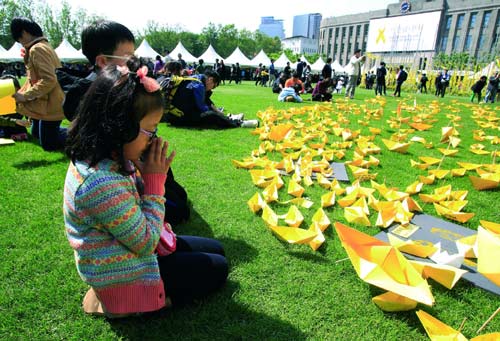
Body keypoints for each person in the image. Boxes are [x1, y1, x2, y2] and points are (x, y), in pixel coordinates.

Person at [64, 59, 228, 317]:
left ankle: (118, 298)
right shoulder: (100, 182)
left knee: (215, 250)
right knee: (217, 269)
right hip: (123, 271)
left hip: (127, 252)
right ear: (119, 127)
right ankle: (129, 304)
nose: (153, 138)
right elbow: (146, 242)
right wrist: (154, 182)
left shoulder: (106, 157)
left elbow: (136, 216)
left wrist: (140, 171)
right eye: (149, 130)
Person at [10, 17, 65, 151]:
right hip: (46, 101)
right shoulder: (42, 46)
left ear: (24, 33)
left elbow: (49, 79)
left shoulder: (37, 49)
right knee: (36, 133)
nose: (20, 42)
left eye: (19, 38)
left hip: (51, 104)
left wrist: (26, 96)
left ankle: (82, 134)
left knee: (49, 144)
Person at [161, 70, 256, 128]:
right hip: (179, 118)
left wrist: (216, 110)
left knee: (211, 109)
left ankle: (228, 117)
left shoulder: (193, 78)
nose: (212, 89)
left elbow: (204, 100)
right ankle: (238, 123)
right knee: (211, 115)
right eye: (213, 86)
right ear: (210, 80)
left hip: (172, 115)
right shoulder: (199, 85)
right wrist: (216, 112)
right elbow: (202, 108)